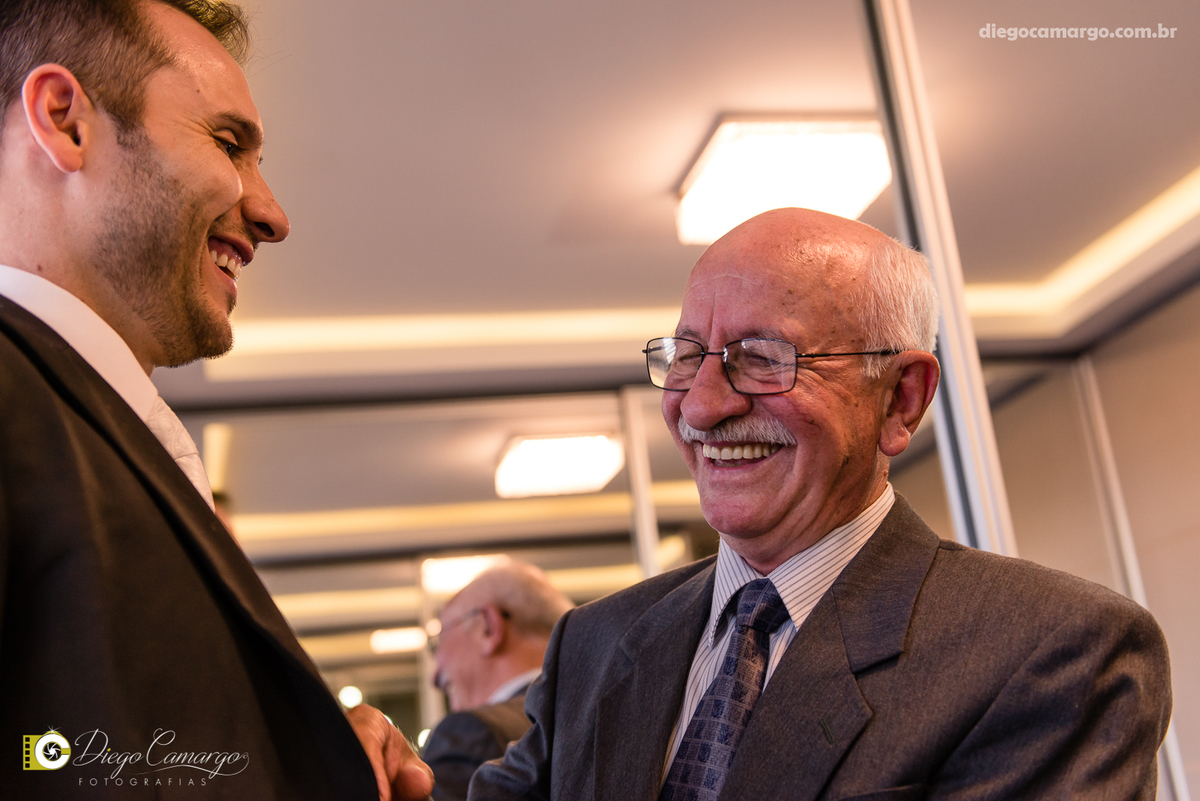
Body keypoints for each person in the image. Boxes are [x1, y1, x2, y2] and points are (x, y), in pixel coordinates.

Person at [458, 208, 1173, 800]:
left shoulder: (1053, 653)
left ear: (901, 399)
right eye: (685, 353)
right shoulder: (599, 640)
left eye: (764, 356)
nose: (701, 405)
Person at [0, 2, 429, 798]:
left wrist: (305, 753)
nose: (271, 213)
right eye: (229, 144)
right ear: (65, 121)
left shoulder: (105, 433)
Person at [423, 561, 573, 801]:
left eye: (438, 643)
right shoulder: (602, 717)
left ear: (488, 628)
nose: (435, 677)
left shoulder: (473, 734)